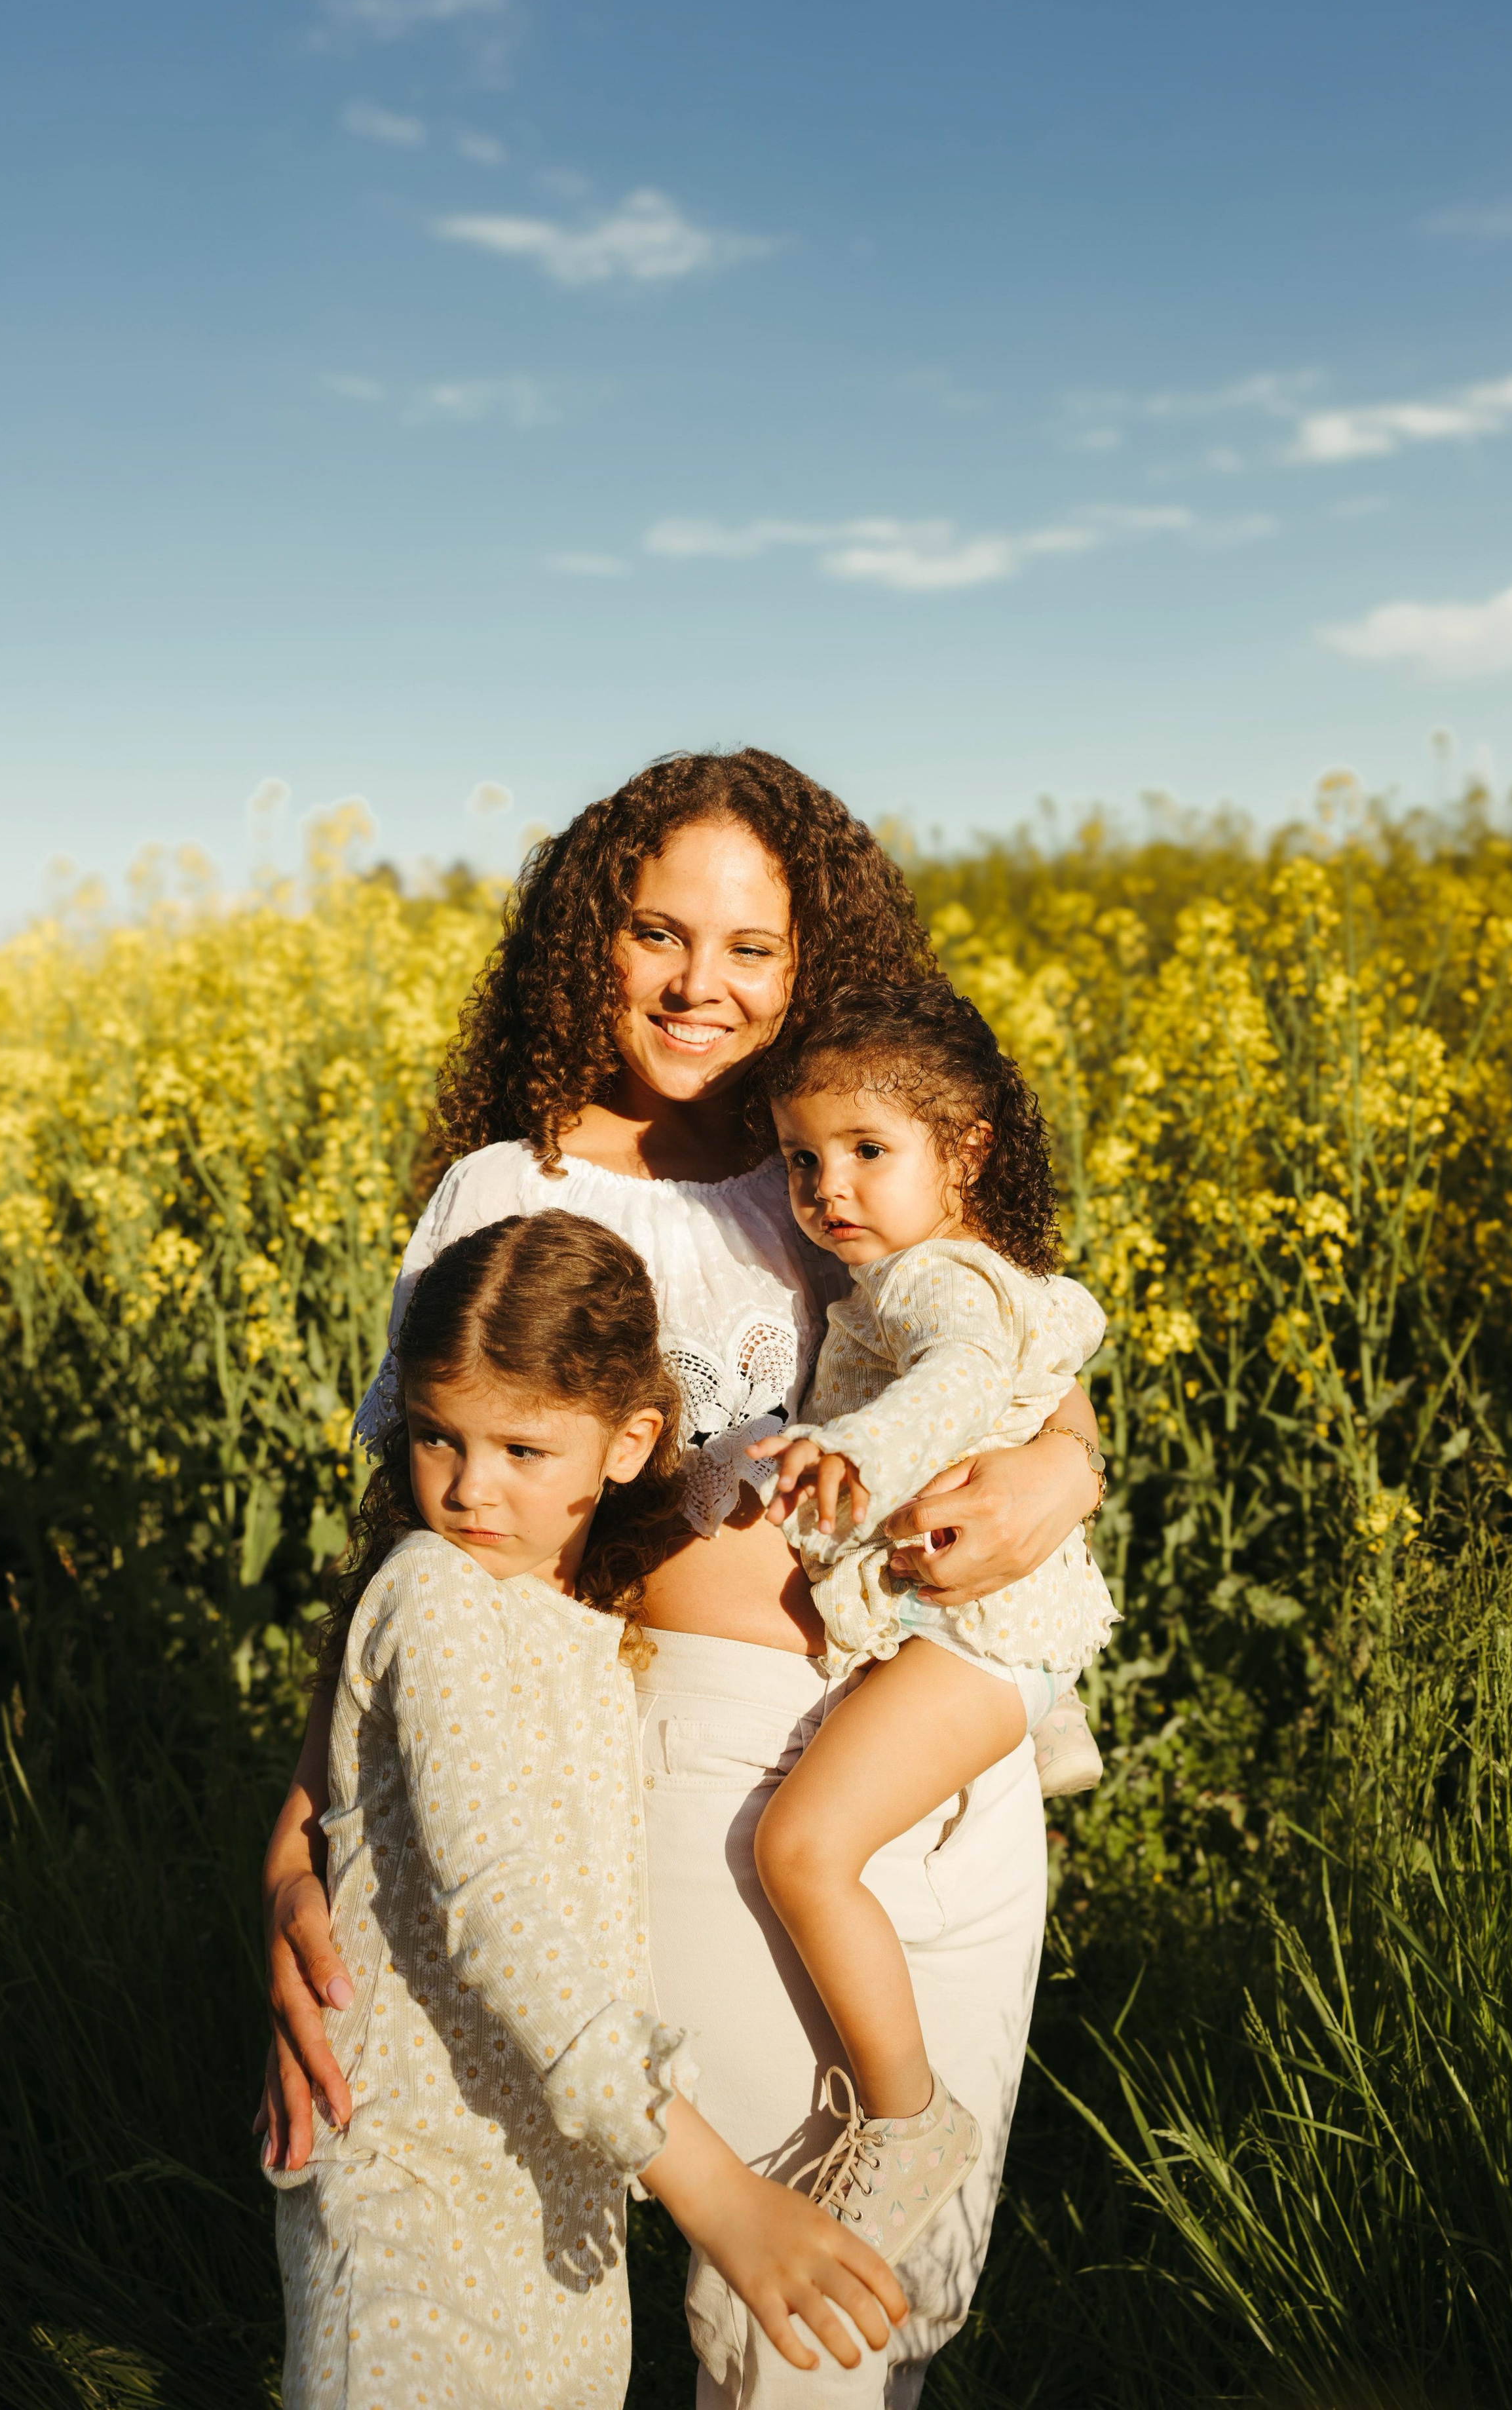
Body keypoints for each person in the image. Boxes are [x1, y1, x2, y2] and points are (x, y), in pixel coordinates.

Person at [260, 748, 1106, 2407]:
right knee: (779, 2313)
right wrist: (304, 1840)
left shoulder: (832, 1156)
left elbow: (1014, 1358)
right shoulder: (512, 1192)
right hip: (720, 1770)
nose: (701, 986)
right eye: (659, 934)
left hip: (950, 1730)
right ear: (594, 940)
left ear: (812, 969)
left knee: (906, 2290)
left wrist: (1067, 1472)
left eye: (752, 950)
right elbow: (423, 1546)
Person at [267, 1209, 905, 2409]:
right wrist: (713, 2189)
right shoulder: (434, 1598)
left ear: (629, 1445)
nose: (468, 1490)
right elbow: (502, 1912)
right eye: (438, 1439)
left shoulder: (580, 1634)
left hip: (560, 2193)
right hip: (415, 2185)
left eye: (523, 1450)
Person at [742, 980, 1120, 2264]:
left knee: (801, 1846)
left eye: (865, 1152)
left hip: (981, 1636)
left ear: (962, 1153)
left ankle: (906, 2118)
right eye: (801, 1158)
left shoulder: (933, 1285)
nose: (825, 1187)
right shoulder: (947, 1270)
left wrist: (851, 1451)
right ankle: (1047, 1718)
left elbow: (959, 1386)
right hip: (993, 1632)